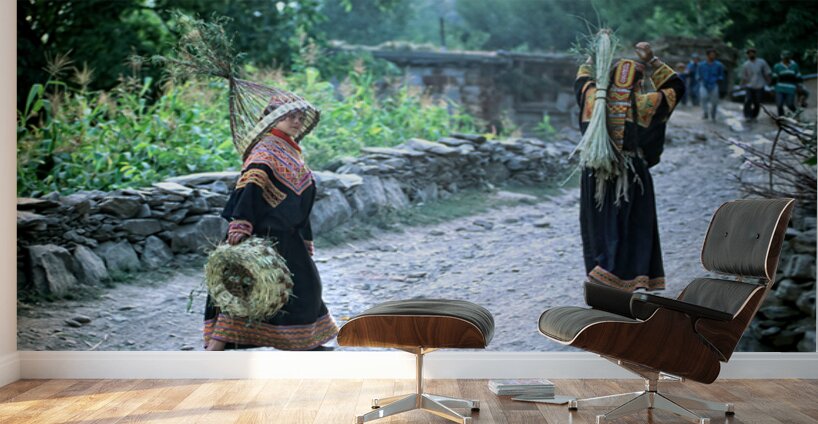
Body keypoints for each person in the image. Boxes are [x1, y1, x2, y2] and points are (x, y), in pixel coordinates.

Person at [203, 100, 339, 351]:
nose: (297, 122)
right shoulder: (265, 150)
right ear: (272, 120)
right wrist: (240, 225)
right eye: (290, 117)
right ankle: (215, 353)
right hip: (262, 235)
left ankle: (302, 342)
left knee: (304, 289)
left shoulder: (290, 150)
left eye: (300, 117)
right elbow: (250, 186)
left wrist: (305, 237)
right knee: (243, 293)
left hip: (288, 235)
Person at [574, 41, 685, 291]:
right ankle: (633, 281)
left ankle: (602, 277)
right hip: (631, 174)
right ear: (638, 83)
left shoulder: (593, 98)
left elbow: (581, 79)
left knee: (599, 225)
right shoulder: (645, 104)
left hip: (596, 173)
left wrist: (593, 60)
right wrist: (653, 59)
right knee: (633, 225)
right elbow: (676, 87)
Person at [741, 47, 771, 121]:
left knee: (757, 102)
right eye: (749, 53)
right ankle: (747, 116)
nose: (751, 54)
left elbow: (767, 72)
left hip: (760, 85)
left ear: (755, 53)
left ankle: (754, 116)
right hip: (750, 86)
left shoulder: (762, 62)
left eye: (752, 52)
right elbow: (744, 77)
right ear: (747, 55)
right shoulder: (746, 65)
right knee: (748, 100)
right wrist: (742, 85)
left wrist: (768, 82)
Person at [696, 49, 724, 120]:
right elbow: (698, 75)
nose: (713, 56)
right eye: (711, 55)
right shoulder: (701, 65)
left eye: (714, 55)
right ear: (707, 55)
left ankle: (713, 114)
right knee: (703, 97)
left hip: (714, 84)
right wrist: (699, 79)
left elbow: (721, 75)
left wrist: (718, 79)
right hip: (704, 84)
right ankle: (705, 112)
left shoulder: (719, 65)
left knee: (714, 101)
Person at [772, 50, 802, 116]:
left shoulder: (795, 66)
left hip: (791, 88)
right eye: (784, 57)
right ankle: (781, 118)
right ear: (781, 57)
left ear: (790, 57)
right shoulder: (777, 66)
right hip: (779, 88)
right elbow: (774, 78)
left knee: (790, 104)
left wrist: (799, 87)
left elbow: (798, 77)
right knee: (779, 105)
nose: (786, 59)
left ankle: (797, 115)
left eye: (787, 58)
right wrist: (772, 88)